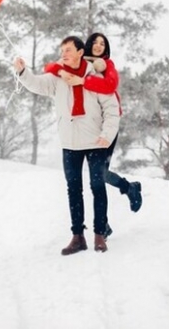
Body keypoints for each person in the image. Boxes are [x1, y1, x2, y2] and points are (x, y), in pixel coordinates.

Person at [13, 36, 120, 255]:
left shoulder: (95, 76)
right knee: (74, 189)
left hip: (95, 142)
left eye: (68, 50)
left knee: (97, 187)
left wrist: (106, 135)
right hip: (70, 143)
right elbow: (37, 84)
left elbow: (111, 109)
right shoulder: (57, 77)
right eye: (62, 50)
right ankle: (77, 237)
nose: (64, 54)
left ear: (80, 52)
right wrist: (23, 72)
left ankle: (100, 235)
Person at [44, 32, 142, 220]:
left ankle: (129, 189)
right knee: (95, 176)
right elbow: (50, 67)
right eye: (95, 42)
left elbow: (110, 85)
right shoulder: (77, 63)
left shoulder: (106, 65)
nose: (98, 46)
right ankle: (106, 221)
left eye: (102, 44)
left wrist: (83, 81)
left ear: (106, 48)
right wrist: (61, 72)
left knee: (100, 174)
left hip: (107, 125)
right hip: (84, 127)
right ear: (87, 45)